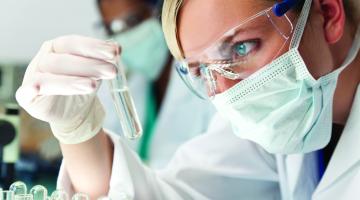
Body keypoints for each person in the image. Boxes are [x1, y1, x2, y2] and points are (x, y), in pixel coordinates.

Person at [15, 0, 360, 199]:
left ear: (328, 14)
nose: (226, 91)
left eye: (242, 47)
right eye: (201, 70)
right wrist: (78, 131)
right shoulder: (279, 116)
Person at [95, 0, 215, 167]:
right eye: (110, 28)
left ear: (161, 11)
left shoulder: (208, 77)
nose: (124, 37)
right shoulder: (126, 80)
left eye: (132, 21)